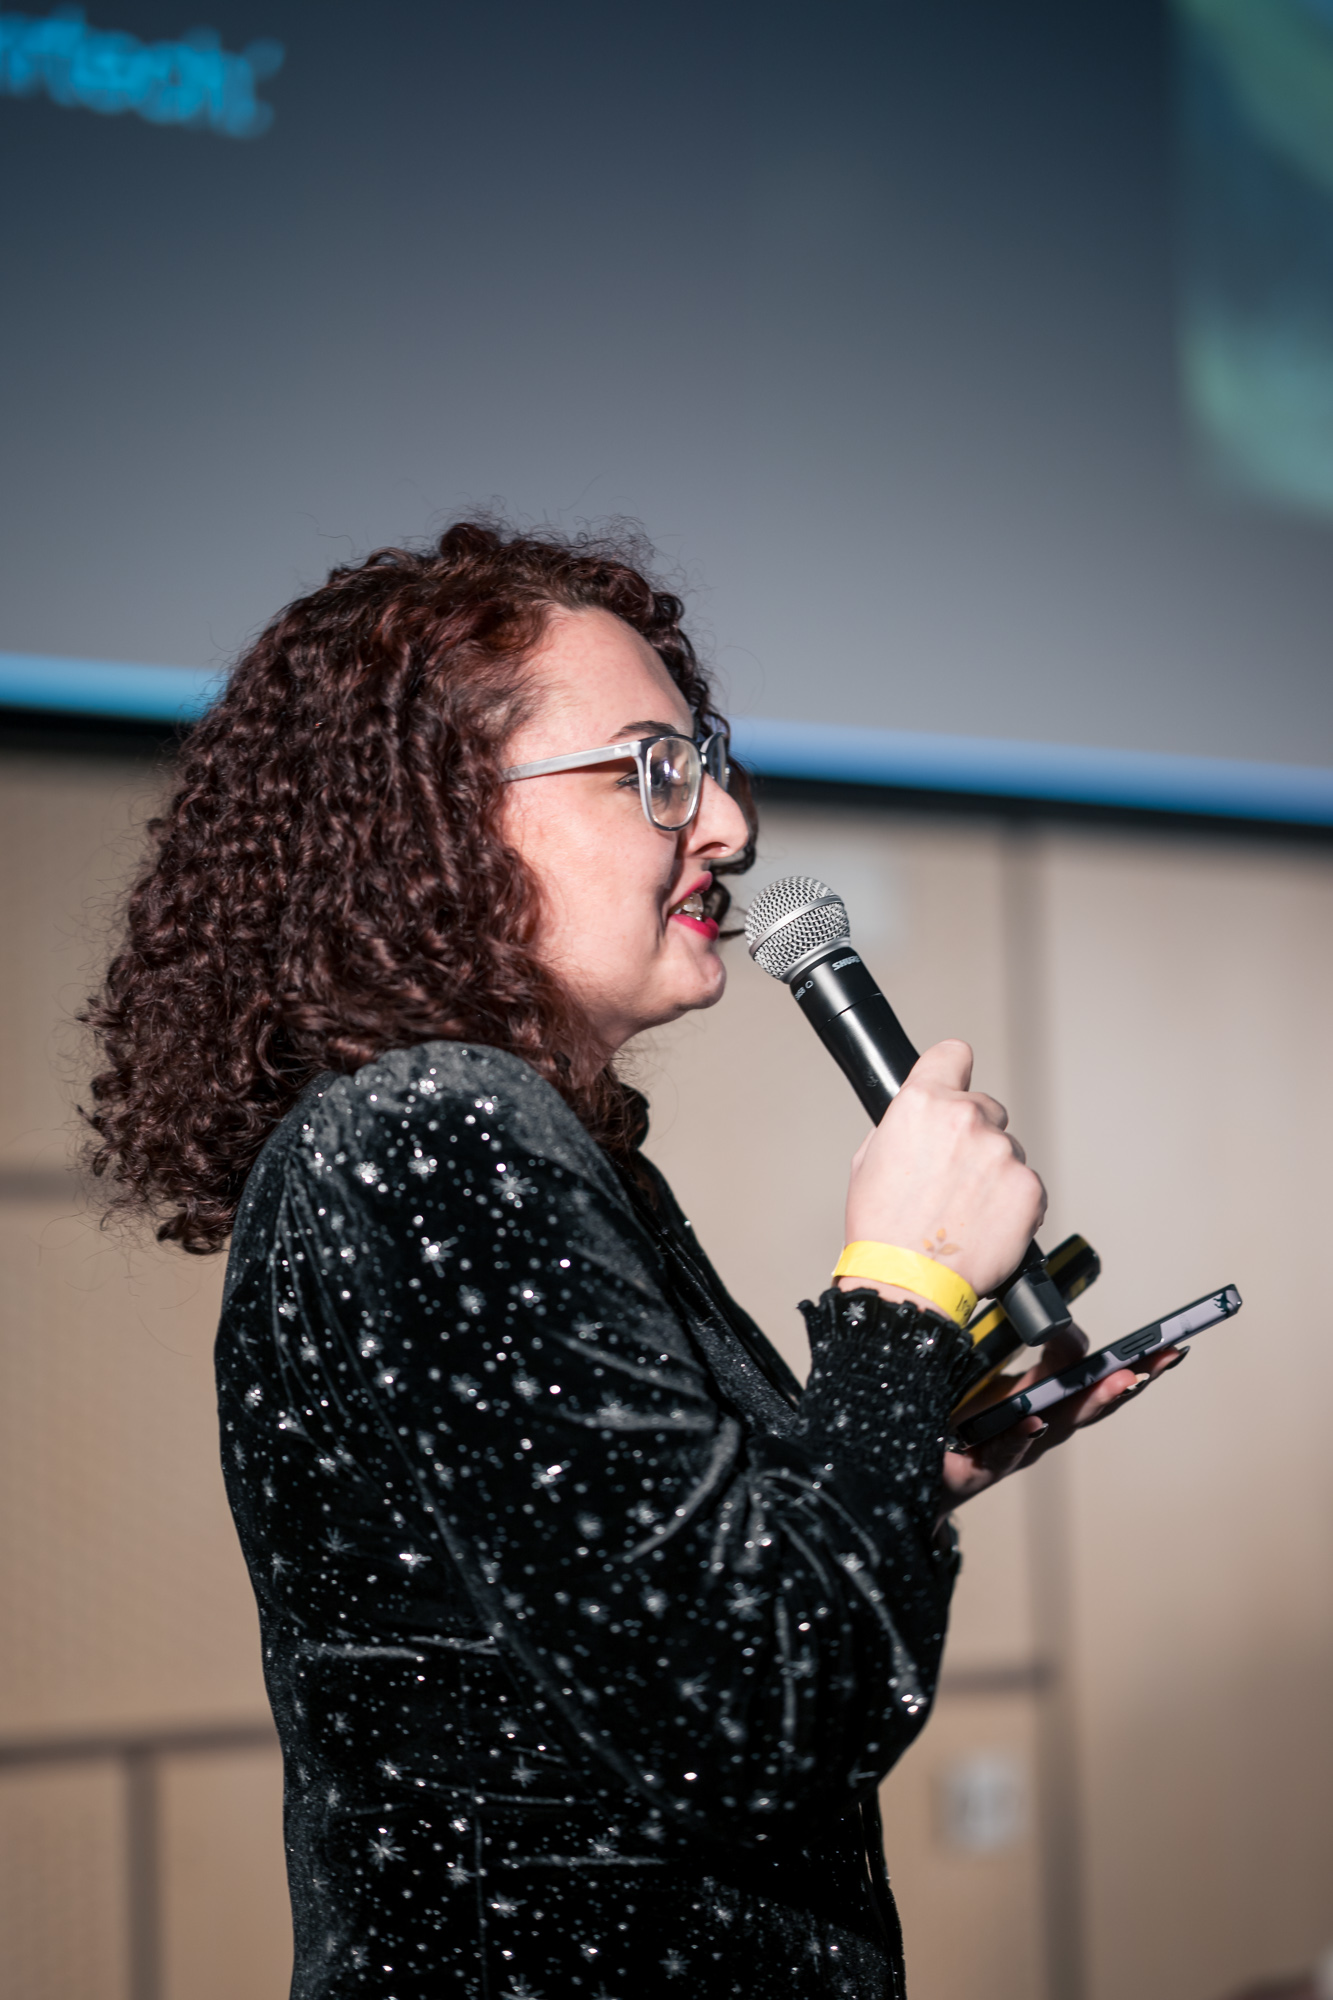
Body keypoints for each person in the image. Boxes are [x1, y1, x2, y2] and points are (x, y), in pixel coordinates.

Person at [84, 522, 1177, 1999]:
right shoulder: (433, 1129)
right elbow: (758, 1719)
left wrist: (892, 1453)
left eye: (707, 763)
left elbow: (626, 1614)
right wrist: (905, 1284)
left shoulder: (517, 1141)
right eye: (653, 770)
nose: (725, 824)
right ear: (442, 822)